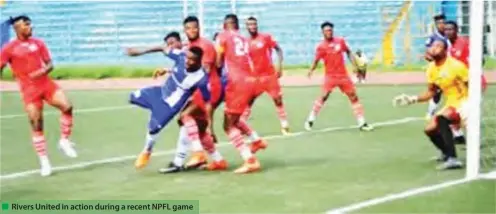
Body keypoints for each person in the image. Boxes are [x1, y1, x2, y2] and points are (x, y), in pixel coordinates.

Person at [0, 15, 77, 177]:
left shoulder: (38, 43)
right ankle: (44, 161)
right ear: (17, 28)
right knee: (37, 124)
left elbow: (49, 64)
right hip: (29, 90)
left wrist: (43, 70)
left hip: (46, 84)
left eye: (30, 24)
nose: (30, 27)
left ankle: (64, 141)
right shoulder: (9, 48)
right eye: (26, 25)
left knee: (67, 106)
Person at [126, 33, 212, 171]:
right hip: (159, 92)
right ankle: (153, 112)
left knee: (153, 129)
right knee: (132, 96)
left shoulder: (201, 78)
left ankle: (146, 151)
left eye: (192, 60)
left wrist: (208, 123)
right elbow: (162, 48)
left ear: (199, 61)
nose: (187, 62)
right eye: (187, 58)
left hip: (169, 106)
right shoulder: (181, 56)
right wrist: (139, 51)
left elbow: (207, 100)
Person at [161, 16, 227, 173]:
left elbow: (204, 71)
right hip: (200, 87)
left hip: (209, 87)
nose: (192, 31)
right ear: (184, 30)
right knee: (196, 127)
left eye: (194, 27)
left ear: (199, 28)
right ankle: (218, 160)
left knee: (184, 117)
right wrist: (169, 70)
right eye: (188, 28)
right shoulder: (190, 45)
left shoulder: (205, 45)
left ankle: (197, 154)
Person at [393, 38, 466, 170]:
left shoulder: (456, 66)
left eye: (438, 46)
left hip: (465, 101)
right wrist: (411, 99)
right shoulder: (431, 69)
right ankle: (446, 153)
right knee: (429, 129)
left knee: (441, 118)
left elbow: (472, 85)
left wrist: (471, 105)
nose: (434, 48)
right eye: (432, 46)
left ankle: (453, 159)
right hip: (451, 103)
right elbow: (431, 92)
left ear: (445, 50)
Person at [305, 21, 373, 131]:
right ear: (322, 32)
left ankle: (362, 123)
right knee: (323, 97)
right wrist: (311, 70)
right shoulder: (321, 47)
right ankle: (310, 119)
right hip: (330, 77)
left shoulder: (340, 41)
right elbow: (316, 60)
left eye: (330, 30)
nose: (329, 32)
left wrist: (355, 65)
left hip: (343, 76)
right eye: (327, 30)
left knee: (353, 97)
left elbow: (349, 52)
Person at [216, 14, 263, 174]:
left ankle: (250, 160)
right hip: (250, 81)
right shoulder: (244, 39)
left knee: (228, 125)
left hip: (236, 83)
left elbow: (217, 61)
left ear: (225, 24)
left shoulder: (222, 36)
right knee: (234, 119)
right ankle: (256, 140)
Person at [243, 16, 290, 135]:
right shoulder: (245, 42)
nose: (252, 26)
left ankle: (285, 125)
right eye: (250, 25)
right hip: (255, 77)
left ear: (257, 25)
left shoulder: (265, 37)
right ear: (246, 27)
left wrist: (279, 65)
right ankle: (242, 125)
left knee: (278, 100)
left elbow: (278, 50)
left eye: (254, 24)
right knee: (249, 101)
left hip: (269, 76)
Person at [424, 14, 449, 119]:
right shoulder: (433, 38)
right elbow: (427, 53)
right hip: (438, 68)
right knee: (437, 91)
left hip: (451, 66)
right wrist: (432, 58)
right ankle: (430, 112)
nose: (441, 25)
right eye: (439, 23)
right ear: (436, 25)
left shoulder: (449, 35)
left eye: (443, 22)